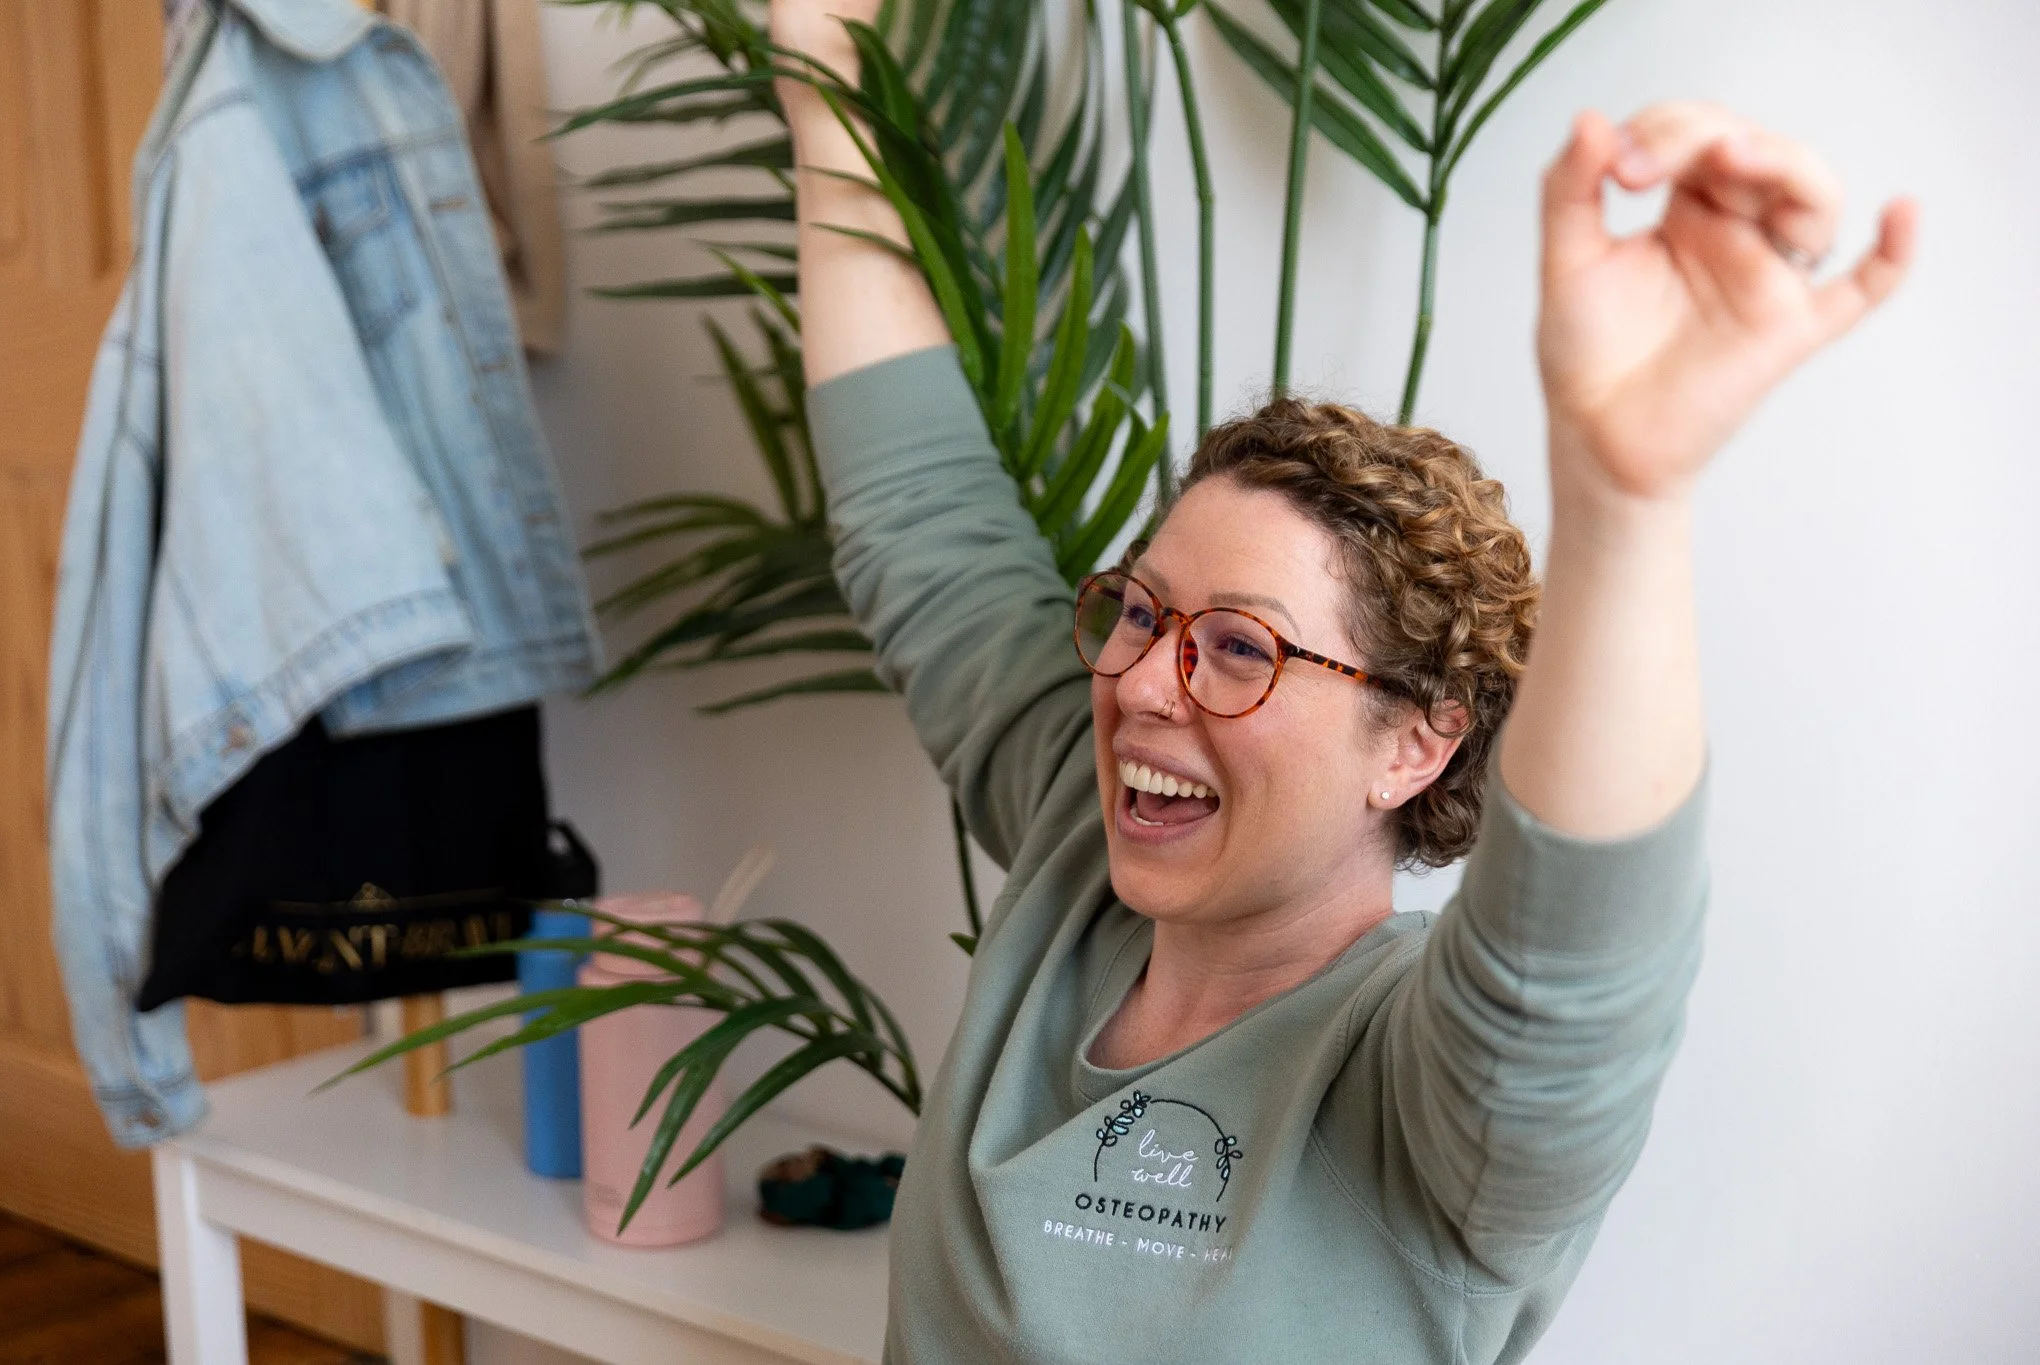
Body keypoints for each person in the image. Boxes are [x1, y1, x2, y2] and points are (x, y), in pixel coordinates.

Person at [773, 2, 1916, 1359]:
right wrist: (822, 79)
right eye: (1141, 613)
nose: (1145, 685)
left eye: (1243, 648)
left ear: (1416, 744)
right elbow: (921, 511)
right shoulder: (1076, 860)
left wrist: (1626, 495)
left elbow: (1580, 953)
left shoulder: (1437, 1102)